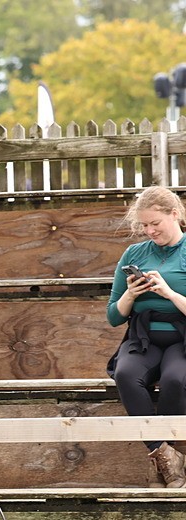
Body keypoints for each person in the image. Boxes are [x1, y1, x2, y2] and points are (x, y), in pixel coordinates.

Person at [106, 186, 186, 488]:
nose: (149, 230)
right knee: (125, 374)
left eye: (155, 223)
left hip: (182, 338)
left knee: (175, 380)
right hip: (143, 336)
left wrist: (167, 292)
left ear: (174, 215)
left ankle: (173, 456)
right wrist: (131, 293)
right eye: (144, 225)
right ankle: (164, 455)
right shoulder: (134, 253)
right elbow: (114, 316)